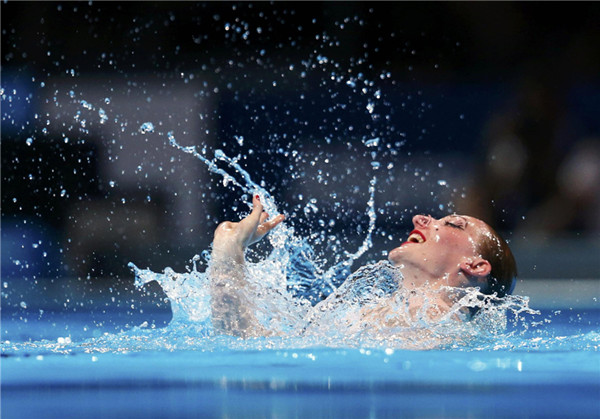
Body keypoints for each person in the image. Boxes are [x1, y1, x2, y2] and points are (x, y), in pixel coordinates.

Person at [208, 194, 517, 338]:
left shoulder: (439, 327)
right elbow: (248, 339)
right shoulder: (383, 313)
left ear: (475, 266)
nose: (421, 219)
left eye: (451, 223)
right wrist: (230, 248)